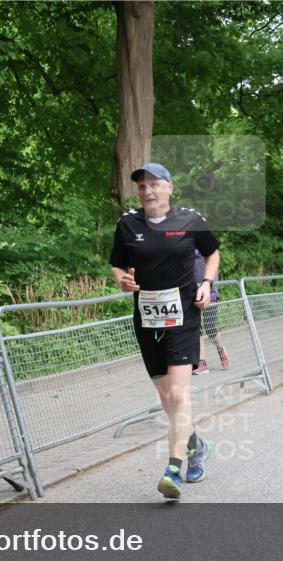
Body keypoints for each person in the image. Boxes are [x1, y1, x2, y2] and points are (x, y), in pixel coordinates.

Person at [109, 162, 218, 499]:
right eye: (142, 186)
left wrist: (206, 283)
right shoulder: (127, 224)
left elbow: (212, 253)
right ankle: (196, 445)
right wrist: (122, 280)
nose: (147, 191)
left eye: (154, 184)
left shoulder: (190, 219)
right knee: (166, 396)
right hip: (147, 319)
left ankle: (174, 467)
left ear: (170, 187)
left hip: (184, 316)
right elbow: (115, 263)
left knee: (178, 394)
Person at [193, 249, 230, 375]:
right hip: (192, 293)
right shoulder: (183, 244)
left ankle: (220, 349)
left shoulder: (205, 245)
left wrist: (209, 286)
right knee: (196, 327)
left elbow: (213, 264)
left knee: (210, 328)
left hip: (209, 292)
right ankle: (202, 362)